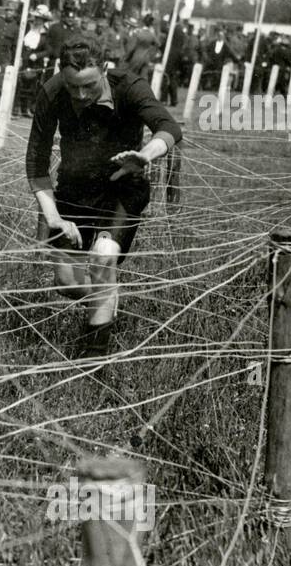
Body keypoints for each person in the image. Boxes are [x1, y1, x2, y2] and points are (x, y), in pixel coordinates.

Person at [26, 34, 182, 359]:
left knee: (101, 260)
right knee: (67, 282)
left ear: (104, 69)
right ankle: (108, 298)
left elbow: (169, 127)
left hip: (123, 189)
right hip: (74, 188)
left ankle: (92, 366)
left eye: (89, 85)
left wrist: (145, 155)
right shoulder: (51, 93)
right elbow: (36, 164)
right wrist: (54, 218)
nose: (80, 95)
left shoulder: (130, 86)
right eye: (73, 87)